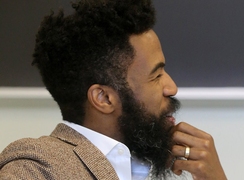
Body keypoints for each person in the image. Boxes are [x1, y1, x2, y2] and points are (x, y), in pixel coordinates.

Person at [0, 0, 227, 179]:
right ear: (104, 98)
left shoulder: (135, 167)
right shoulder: (36, 167)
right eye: (156, 75)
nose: (172, 88)